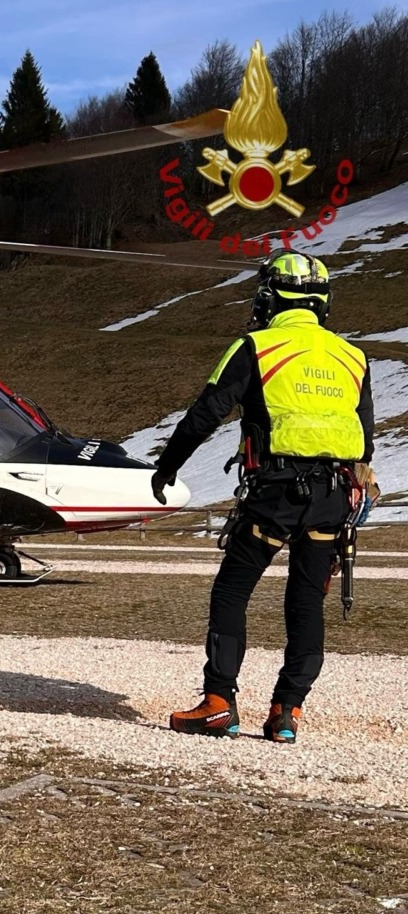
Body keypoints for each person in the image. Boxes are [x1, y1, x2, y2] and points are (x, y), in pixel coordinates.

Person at [152, 251, 374, 743]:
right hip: (333, 498)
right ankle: (286, 713)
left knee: (232, 591)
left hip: (275, 492)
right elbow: (367, 439)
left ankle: (218, 703)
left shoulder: (256, 346)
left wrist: (166, 469)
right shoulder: (352, 357)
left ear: (270, 297)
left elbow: (205, 414)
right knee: (305, 605)